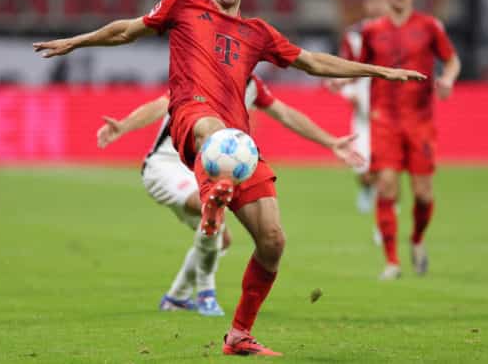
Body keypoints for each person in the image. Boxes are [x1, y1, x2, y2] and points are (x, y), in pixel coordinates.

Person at [34, 0, 425, 357]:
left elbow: (312, 61)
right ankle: (212, 196)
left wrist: (379, 71)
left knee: (273, 239)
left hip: (240, 143)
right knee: (212, 130)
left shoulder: (257, 34)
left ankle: (239, 333)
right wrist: (77, 41)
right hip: (193, 120)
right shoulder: (183, 6)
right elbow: (126, 30)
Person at [96, 74, 364, 318]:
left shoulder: (252, 85)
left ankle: (176, 297)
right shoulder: (199, 75)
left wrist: (330, 141)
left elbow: (287, 114)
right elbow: (159, 105)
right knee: (211, 207)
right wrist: (123, 126)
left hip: (206, 168)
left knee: (220, 238)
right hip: (166, 165)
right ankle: (206, 293)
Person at [356, 0, 461, 281]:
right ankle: (392, 261)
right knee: (386, 185)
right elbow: (362, 68)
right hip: (384, 119)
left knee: (423, 193)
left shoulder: (429, 27)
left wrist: (448, 79)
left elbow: (452, 59)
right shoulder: (372, 31)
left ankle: (416, 240)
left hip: (420, 121)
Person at [326, 0, 389, 248]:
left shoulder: (398, 33)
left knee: (386, 171)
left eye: (381, 0)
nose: (377, 5)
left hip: (389, 111)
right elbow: (346, 69)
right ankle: (365, 187)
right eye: (372, 0)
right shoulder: (354, 35)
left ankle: (384, 227)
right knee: (364, 169)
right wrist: (345, 88)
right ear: (366, 4)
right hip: (363, 111)